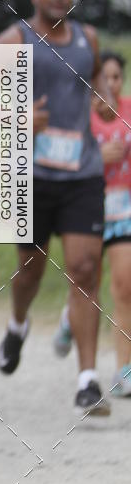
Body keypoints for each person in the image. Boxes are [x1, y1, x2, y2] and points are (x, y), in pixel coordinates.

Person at [0, 0, 112, 415]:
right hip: (24, 171)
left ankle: (88, 381)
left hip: (82, 171)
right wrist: (15, 115)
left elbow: (89, 91)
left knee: (85, 268)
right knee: (30, 269)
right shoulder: (14, 41)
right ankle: (17, 326)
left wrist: (99, 104)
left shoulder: (86, 39)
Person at [86, 51, 131, 396]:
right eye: (105, 78)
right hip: (86, 211)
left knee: (125, 288)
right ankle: (68, 323)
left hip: (124, 213)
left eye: (117, 77)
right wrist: (94, 159)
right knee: (88, 284)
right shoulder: (80, 119)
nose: (111, 84)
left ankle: (124, 369)